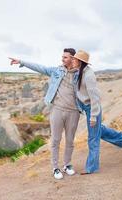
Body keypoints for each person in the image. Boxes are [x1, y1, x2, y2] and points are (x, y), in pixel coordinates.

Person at [9, 48, 81, 180]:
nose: (62, 59)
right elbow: (40, 68)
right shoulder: (56, 71)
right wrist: (22, 62)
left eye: (65, 57)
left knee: (70, 140)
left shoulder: (79, 74)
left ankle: (67, 165)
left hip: (74, 112)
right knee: (55, 140)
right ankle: (55, 168)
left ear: (73, 58)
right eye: (62, 57)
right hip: (57, 110)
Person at [71, 50, 122, 175]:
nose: (72, 60)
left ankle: (91, 168)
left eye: (74, 59)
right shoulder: (79, 72)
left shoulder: (89, 75)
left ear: (80, 62)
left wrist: (93, 116)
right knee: (100, 130)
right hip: (86, 107)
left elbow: (95, 98)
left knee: (93, 138)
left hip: (92, 108)